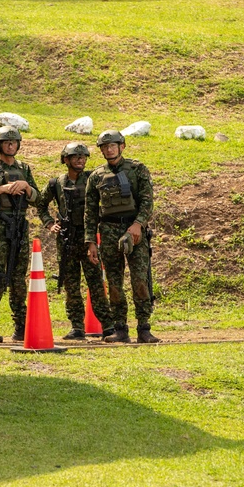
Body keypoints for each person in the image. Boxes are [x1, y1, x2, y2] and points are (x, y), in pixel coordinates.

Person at [85, 129, 159, 343]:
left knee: (140, 280)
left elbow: (147, 201)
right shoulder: (96, 176)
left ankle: (144, 328)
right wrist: (91, 241)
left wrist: (138, 225)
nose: (109, 149)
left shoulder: (137, 169)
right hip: (108, 232)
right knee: (114, 283)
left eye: (113, 145)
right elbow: (90, 212)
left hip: (134, 231)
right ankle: (120, 329)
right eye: (105, 146)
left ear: (122, 146)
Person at [37, 142, 113, 340]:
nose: (80, 159)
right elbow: (40, 204)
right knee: (71, 284)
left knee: (96, 282)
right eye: (76, 156)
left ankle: (108, 326)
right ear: (66, 160)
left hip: (88, 237)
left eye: (83, 156)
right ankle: (77, 326)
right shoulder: (56, 183)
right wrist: (49, 224)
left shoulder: (93, 179)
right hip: (67, 238)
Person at [0, 126, 40, 343]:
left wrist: (26, 187)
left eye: (14, 142)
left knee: (18, 278)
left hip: (20, 226)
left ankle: (21, 326)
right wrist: (2, 189)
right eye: (6, 142)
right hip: (0, 226)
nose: (11, 145)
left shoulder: (24, 168)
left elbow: (36, 197)